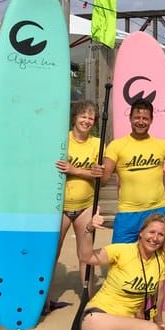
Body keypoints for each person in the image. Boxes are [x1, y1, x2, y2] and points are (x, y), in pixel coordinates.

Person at [101, 99, 165, 243]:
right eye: (137, 118)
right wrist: (97, 172)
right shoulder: (116, 146)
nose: (141, 121)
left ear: (151, 120)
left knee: (156, 260)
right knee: (121, 259)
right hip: (128, 213)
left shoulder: (161, 145)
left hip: (157, 212)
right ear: (130, 119)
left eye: (145, 118)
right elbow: (103, 180)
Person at [54, 101, 102, 304]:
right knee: (51, 254)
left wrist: (75, 171)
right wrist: (88, 172)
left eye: (91, 117)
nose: (87, 121)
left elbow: (101, 176)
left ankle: (87, 301)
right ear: (74, 117)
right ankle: (43, 299)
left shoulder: (98, 144)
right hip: (59, 208)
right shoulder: (60, 140)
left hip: (86, 206)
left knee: (86, 255)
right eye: (83, 116)